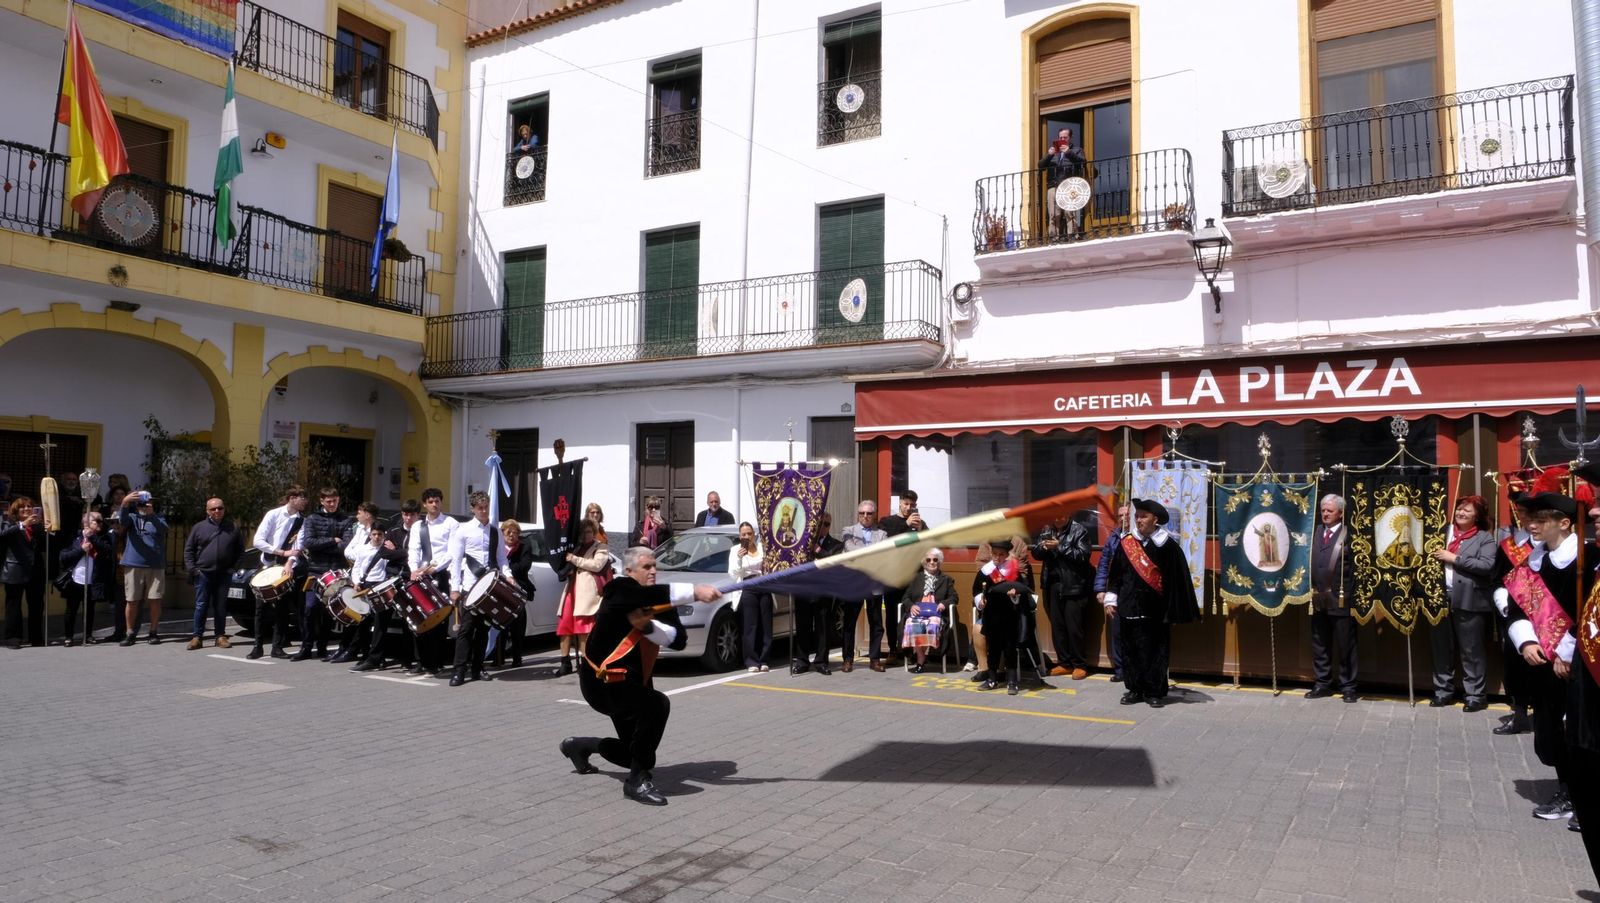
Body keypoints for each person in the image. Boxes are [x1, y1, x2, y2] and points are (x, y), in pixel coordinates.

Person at [559, 546, 720, 806]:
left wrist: (648, 627)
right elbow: (642, 596)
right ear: (629, 570)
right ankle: (636, 781)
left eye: (655, 566)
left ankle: (581, 746)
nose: (654, 571)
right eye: (647, 567)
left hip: (632, 683)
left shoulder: (660, 601)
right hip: (602, 683)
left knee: (635, 753)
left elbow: (679, 640)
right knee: (657, 704)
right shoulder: (619, 589)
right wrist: (695, 591)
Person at [1503, 492, 1592, 824]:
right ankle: (1566, 788)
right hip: (1542, 662)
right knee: (1552, 730)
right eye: (1531, 519)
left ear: (1564, 523)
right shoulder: (1532, 562)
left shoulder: (1588, 559)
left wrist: (1567, 652)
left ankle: (1582, 796)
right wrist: (1526, 641)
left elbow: (1590, 612)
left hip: (1579, 663)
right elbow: (1517, 607)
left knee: (1580, 733)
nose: (1531, 525)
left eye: (1540, 520)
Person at [1102, 498, 1200, 707]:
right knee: (1131, 650)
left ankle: (1154, 691)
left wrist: (1172, 609)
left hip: (1155, 609)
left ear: (1155, 520)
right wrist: (1111, 598)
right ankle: (1134, 689)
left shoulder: (1167, 546)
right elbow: (1116, 574)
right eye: (1136, 517)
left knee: (1155, 651)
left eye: (1143, 517)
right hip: (1128, 606)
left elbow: (1177, 580)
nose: (1138, 520)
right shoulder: (1126, 543)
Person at [1427, 495, 1495, 711]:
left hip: (1469, 599)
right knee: (1441, 647)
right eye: (1459, 509)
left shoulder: (1484, 538)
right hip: (1439, 597)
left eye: (1467, 510)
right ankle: (1442, 691)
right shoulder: (1442, 532)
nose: (1461, 513)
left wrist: (1454, 558)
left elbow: (1487, 566)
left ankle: (1475, 694)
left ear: (1477, 516)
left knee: (1471, 649)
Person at [1491, 494, 1539, 735]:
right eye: (1522, 513)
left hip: (1548, 616)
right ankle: (1519, 714)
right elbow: (1497, 578)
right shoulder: (1510, 546)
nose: (1526, 518)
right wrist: (1505, 604)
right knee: (1515, 666)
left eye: (1531, 514)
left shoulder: (1552, 546)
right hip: (1515, 614)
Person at [350, 501, 418, 673]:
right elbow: (385, 553)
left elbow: (415, 556)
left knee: (407, 622)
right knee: (381, 620)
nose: (408, 518)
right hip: (389, 580)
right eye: (405, 514)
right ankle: (375, 659)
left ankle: (407, 659)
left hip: (409, 579)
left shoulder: (421, 532)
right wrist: (403, 552)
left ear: (417, 515)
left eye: (411, 515)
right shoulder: (394, 531)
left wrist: (400, 551)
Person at [1307, 494, 1359, 702]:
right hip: (1318, 597)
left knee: (1345, 644)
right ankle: (1323, 683)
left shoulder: (1350, 534)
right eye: (1323, 510)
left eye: (1329, 510)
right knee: (1319, 642)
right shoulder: (1316, 532)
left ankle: (1348, 686)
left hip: (1341, 598)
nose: (1325, 514)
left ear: (1340, 512)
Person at [1033, 510, 1096, 679]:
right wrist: (1043, 547)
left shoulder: (1079, 530)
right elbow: (1036, 554)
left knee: (1075, 627)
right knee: (1058, 626)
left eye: (1060, 515)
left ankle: (1079, 664)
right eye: (1054, 515)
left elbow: (1083, 555)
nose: (1057, 517)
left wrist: (1059, 547)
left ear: (1068, 515)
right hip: (1053, 585)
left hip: (1074, 585)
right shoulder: (1047, 529)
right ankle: (1064, 662)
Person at [247, 486, 308, 659]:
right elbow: (258, 540)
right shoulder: (273, 514)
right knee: (260, 608)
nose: (305, 501)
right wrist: (280, 552)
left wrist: (289, 562)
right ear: (292, 498)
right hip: (268, 563)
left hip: (284, 567)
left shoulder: (301, 521)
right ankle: (257, 647)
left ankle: (277, 647)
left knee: (282, 609)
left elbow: (298, 547)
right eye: (302, 498)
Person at [446, 491, 498, 687]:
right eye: (480, 508)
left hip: (489, 587)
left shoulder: (495, 531)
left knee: (483, 630)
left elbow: (501, 558)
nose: (484, 511)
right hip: (469, 586)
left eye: (486, 507)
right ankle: (459, 670)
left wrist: (508, 576)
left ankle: (477, 668)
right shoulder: (463, 530)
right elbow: (456, 560)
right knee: (465, 630)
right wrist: (455, 588)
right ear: (473, 509)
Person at [294, 487, 352, 662]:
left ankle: (322, 647)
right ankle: (306, 646)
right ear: (321, 501)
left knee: (329, 611)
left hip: (336, 571)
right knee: (310, 609)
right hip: (315, 570)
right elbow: (309, 543)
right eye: (328, 501)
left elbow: (347, 546)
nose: (332, 504)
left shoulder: (346, 519)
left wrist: (329, 545)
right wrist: (333, 540)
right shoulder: (312, 519)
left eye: (334, 500)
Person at [406, 488, 457, 676]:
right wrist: (414, 570)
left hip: (440, 574)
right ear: (425, 504)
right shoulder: (418, 526)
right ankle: (421, 661)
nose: (434, 504)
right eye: (430, 501)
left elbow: (452, 552)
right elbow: (413, 550)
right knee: (419, 620)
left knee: (438, 621)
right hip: (420, 576)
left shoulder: (450, 523)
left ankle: (435, 663)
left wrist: (435, 568)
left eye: (437, 501)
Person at [183, 497, 243, 651]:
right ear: (207, 511)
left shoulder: (232, 527)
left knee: (221, 606)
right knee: (201, 605)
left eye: (220, 508)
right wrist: (193, 569)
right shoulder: (198, 528)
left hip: (224, 574)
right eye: (213, 509)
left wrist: (233, 568)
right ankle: (197, 636)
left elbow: (240, 551)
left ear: (224, 509)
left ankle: (220, 636)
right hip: (203, 574)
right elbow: (189, 550)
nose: (217, 511)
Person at [331, 502, 384, 664]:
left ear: (368, 514)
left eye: (360, 512)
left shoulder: (376, 531)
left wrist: (360, 553)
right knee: (354, 613)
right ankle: (347, 648)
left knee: (366, 617)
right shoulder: (360, 529)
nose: (357, 515)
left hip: (372, 578)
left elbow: (360, 553)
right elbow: (348, 551)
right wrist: (360, 554)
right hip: (358, 576)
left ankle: (357, 650)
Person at [974, 539, 1029, 693]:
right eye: (995, 554)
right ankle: (991, 679)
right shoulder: (985, 571)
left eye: (1001, 554)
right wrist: (980, 600)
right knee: (994, 648)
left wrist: (1015, 594)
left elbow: (1023, 590)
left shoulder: (1013, 571)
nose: (998, 557)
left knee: (1010, 648)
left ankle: (1012, 681)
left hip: (1009, 615)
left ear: (1006, 555)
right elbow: (976, 590)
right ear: (991, 554)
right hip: (991, 615)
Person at [841, 500, 889, 671]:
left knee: (876, 622)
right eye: (862, 513)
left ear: (874, 514)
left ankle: (874, 659)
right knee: (849, 622)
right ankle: (847, 659)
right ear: (858, 514)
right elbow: (848, 548)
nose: (865, 516)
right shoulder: (848, 530)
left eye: (869, 513)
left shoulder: (882, 534)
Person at [556, 518, 609, 675]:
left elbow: (596, 565)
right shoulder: (576, 547)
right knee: (564, 626)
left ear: (593, 532)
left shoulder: (601, 547)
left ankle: (587, 664)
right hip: (572, 589)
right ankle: (565, 663)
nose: (585, 534)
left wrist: (574, 559)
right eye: (582, 532)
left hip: (586, 592)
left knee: (583, 628)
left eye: (588, 531)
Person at [118, 489, 169, 645]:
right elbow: (122, 520)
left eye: (147, 502)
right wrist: (125, 501)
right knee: (132, 600)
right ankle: (130, 633)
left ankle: (153, 632)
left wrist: (151, 515)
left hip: (155, 565)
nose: (144, 505)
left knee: (155, 599)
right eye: (141, 503)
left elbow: (164, 530)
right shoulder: (132, 518)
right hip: (134, 564)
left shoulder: (159, 517)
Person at [794, 512, 841, 675]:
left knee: (823, 628)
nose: (823, 527)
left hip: (823, 591)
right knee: (802, 627)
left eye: (826, 524)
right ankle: (802, 661)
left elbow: (832, 562)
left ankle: (821, 661)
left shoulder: (835, 545)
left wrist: (818, 549)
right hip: (804, 590)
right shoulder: (803, 543)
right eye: (820, 523)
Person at [60, 511, 115, 646]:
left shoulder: (103, 537)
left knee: (89, 610)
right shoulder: (75, 537)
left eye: (101, 521)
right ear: (86, 523)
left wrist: (93, 539)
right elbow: (63, 557)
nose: (100, 523)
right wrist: (81, 549)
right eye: (96, 520)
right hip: (76, 579)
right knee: (71, 610)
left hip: (93, 580)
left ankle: (88, 634)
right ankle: (69, 636)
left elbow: (108, 552)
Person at [902, 548, 957, 673]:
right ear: (924, 562)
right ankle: (921, 658)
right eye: (929, 560)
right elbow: (905, 597)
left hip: (936, 614)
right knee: (912, 624)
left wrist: (944, 603)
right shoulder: (916, 578)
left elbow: (954, 597)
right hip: (918, 613)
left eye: (935, 560)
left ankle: (921, 659)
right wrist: (911, 606)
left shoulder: (946, 579)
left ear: (939, 562)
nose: (932, 562)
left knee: (932, 625)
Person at [1, 497, 47, 648]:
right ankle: (12, 638)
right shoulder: (9, 522)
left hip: (35, 570)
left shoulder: (36, 526)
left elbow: (45, 546)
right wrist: (22, 525)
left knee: (36, 605)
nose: (27, 509)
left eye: (29, 506)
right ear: (16, 511)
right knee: (13, 605)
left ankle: (36, 637)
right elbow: (3, 535)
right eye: (22, 507)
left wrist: (47, 529)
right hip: (15, 569)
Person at [490, 518, 534, 669]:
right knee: (499, 624)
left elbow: (524, 566)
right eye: (508, 532)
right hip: (500, 589)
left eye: (515, 532)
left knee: (517, 626)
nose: (511, 535)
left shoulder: (524, 547)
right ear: (502, 533)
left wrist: (506, 570)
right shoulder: (497, 548)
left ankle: (517, 657)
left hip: (518, 589)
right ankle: (498, 657)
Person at [729, 521, 772, 672]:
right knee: (750, 625)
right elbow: (733, 573)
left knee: (765, 624)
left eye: (749, 533)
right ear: (739, 536)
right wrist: (740, 558)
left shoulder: (763, 548)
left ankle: (764, 659)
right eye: (743, 534)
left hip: (764, 585)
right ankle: (751, 661)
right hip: (747, 587)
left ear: (754, 535)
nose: (747, 536)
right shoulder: (735, 550)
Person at [1093, 503, 1129, 682]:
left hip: (1131, 591)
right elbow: (1104, 565)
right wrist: (1100, 589)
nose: (1124, 519)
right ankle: (1120, 669)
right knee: (1117, 631)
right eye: (1121, 516)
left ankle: (1134, 669)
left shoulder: (1138, 537)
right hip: (1115, 590)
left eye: (1127, 515)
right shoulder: (1113, 538)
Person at [1038, 127, 1088, 240]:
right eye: (1060, 137)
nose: (1062, 139)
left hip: (1069, 185)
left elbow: (1083, 162)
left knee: (1069, 212)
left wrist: (1069, 153)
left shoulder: (1076, 150)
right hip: (1053, 185)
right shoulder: (1054, 153)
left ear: (1070, 138)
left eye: (1065, 137)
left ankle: (1073, 235)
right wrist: (1049, 155)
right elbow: (1041, 166)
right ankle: (1054, 237)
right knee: (1053, 214)